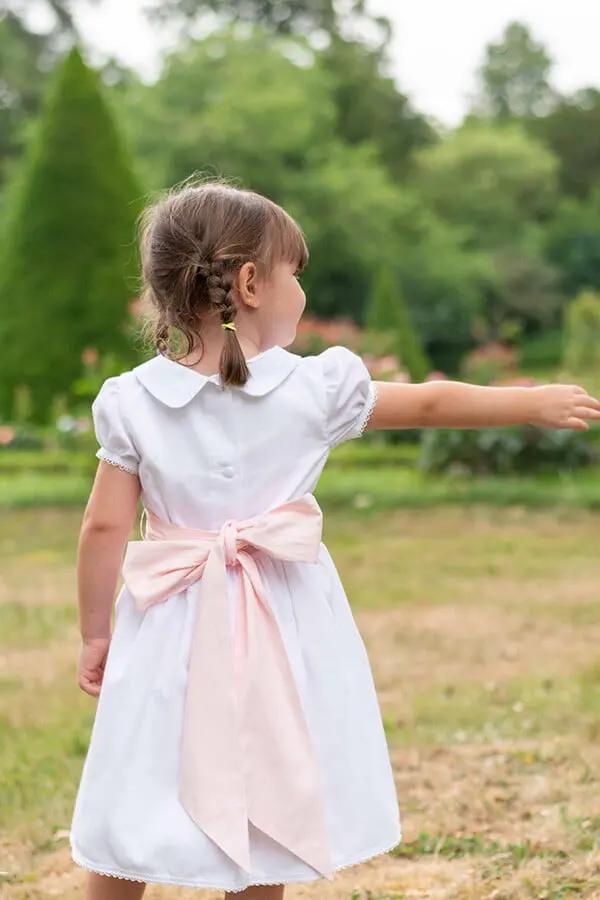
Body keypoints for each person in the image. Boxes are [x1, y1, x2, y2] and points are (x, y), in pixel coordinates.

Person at [68, 177, 600, 900]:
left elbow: (102, 527)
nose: (303, 294)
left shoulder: (131, 400)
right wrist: (528, 402)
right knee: (272, 764)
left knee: (140, 769)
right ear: (252, 283)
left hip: (169, 625)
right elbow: (433, 402)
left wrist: (96, 633)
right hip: (280, 625)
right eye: (297, 274)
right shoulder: (313, 388)